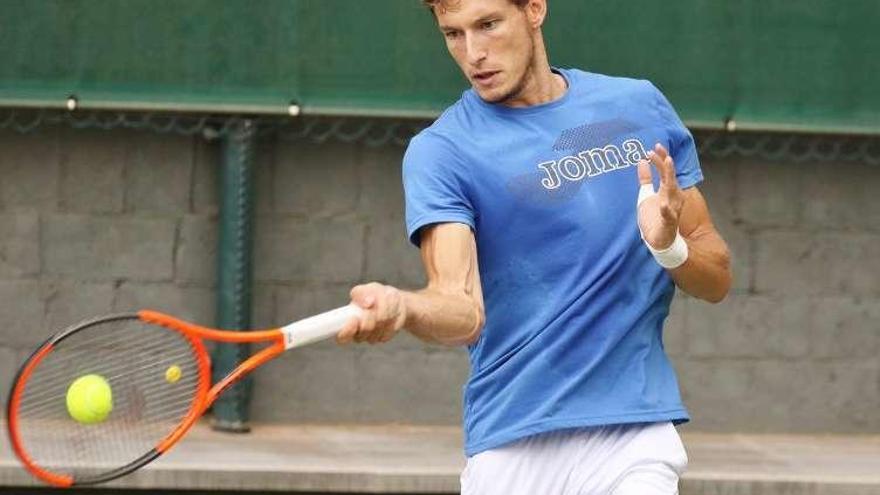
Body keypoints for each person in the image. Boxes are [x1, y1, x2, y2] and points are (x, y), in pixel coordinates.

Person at [336, 0, 732, 493]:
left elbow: (716, 279)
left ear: (535, 10)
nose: (473, 53)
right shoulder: (442, 152)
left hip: (632, 437)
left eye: (488, 25)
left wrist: (670, 248)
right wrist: (404, 307)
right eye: (453, 34)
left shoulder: (637, 107)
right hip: (511, 442)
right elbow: (461, 309)